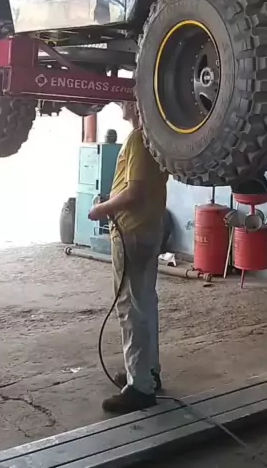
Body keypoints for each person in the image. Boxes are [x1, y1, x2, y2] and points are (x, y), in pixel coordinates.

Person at [88, 100, 168, 414]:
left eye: (127, 97)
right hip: (148, 229)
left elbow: (134, 192)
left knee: (130, 309)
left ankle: (139, 388)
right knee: (145, 303)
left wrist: (101, 209)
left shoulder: (137, 138)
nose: (121, 101)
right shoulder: (158, 138)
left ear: (138, 104)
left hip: (131, 232)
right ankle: (148, 372)